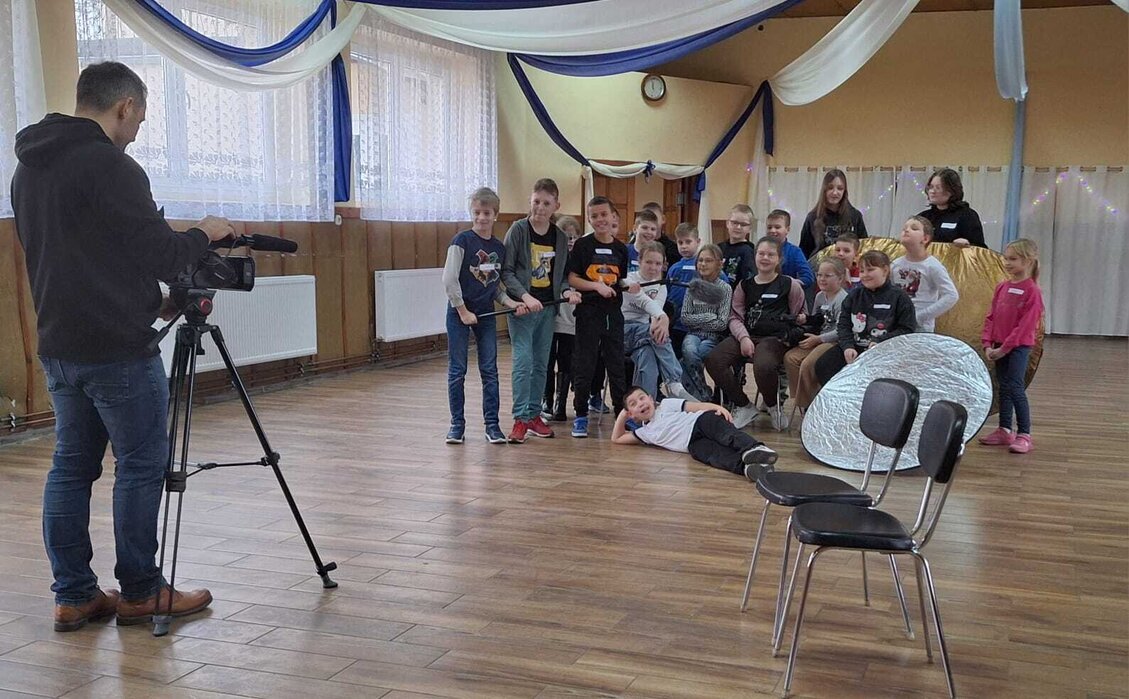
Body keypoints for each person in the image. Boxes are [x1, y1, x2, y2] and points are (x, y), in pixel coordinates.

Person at [11, 62, 228, 631]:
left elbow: (82, 256)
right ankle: (140, 590)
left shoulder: (28, 168)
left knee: (70, 468)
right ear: (125, 106)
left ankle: (74, 595)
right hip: (118, 352)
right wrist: (206, 232)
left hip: (60, 344)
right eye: (140, 119)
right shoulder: (112, 166)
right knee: (140, 465)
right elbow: (163, 254)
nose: (136, 132)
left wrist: (148, 301)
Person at [444, 187, 527, 445]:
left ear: (495, 215)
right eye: (477, 212)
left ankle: (492, 425)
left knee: (489, 370)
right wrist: (462, 310)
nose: (481, 217)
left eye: (487, 213)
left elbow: (495, 286)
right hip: (459, 313)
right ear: (471, 213)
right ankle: (457, 425)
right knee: (457, 370)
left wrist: (511, 302)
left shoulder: (498, 248)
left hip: (486, 315)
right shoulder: (461, 241)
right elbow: (449, 280)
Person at [501, 178, 580, 443]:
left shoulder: (559, 237)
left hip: (547, 309)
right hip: (523, 309)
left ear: (556, 205)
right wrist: (525, 296)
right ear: (530, 201)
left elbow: (562, 276)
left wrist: (566, 292)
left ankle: (534, 415)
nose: (540, 208)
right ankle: (520, 418)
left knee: (541, 364)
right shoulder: (518, 230)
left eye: (546, 203)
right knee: (523, 362)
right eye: (536, 202)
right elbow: (507, 272)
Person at [705, 237, 806, 431]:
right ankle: (744, 405)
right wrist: (743, 338)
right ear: (755, 256)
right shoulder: (744, 285)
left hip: (775, 339)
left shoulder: (790, 285)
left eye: (770, 254)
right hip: (747, 335)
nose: (765, 258)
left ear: (779, 259)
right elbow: (734, 317)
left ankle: (773, 405)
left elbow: (799, 316)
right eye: (761, 253)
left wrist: (790, 333)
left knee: (763, 364)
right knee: (714, 359)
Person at [568, 196, 637, 438]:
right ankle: (580, 415)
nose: (600, 220)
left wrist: (628, 285)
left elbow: (619, 280)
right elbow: (573, 278)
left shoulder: (621, 249)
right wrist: (596, 286)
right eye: (594, 216)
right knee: (585, 364)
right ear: (589, 219)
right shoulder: (582, 246)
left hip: (613, 315)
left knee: (616, 365)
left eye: (604, 214)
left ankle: (622, 414)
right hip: (588, 314)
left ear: (613, 216)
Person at [611, 386, 778, 482]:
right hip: (691, 444)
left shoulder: (666, 404)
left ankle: (754, 449)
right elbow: (617, 438)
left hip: (700, 421)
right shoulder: (644, 433)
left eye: (642, 398)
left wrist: (717, 408)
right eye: (633, 404)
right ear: (631, 414)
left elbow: (695, 407)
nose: (640, 404)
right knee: (716, 456)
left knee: (727, 435)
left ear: (650, 398)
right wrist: (622, 415)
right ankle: (750, 469)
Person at [813, 250, 917, 387]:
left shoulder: (900, 297)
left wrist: (880, 341)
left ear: (885, 270)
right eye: (862, 271)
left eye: (870, 270)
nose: (865, 275)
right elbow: (843, 325)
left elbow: (907, 330)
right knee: (824, 365)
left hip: (884, 352)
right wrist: (847, 346)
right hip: (855, 347)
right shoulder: (854, 296)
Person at [979, 238, 1044, 454]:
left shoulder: (1032, 291)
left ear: (1028, 261)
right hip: (999, 347)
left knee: (1015, 387)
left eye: (1013, 259)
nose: (1007, 263)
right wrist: (988, 344)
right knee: (1003, 387)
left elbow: (1025, 326)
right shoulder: (1002, 287)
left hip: (1017, 348)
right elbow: (991, 317)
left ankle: (1024, 434)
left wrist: (1004, 348)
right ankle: (1004, 429)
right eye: (1006, 258)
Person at [622, 241, 695, 401]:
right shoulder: (627, 279)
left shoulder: (661, 286)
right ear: (639, 261)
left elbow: (655, 313)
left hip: (645, 334)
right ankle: (674, 382)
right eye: (648, 262)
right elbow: (644, 302)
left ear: (663, 265)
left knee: (647, 357)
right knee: (656, 332)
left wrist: (660, 321)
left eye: (658, 263)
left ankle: (645, 405)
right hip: (623, 332)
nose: (653, 267)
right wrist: (663, 318)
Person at [783, 258, 848, 411]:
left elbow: (841, 330)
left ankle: (813, 404)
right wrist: (804, 321)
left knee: (807, 364)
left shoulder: (843, 299)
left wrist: (818, 339)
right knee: (790, 358)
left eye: (827, 276)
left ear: (840, 278)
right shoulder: (819, 296)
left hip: (832, 341)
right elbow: (816, 321)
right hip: (817, 337)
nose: (822, 279)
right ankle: (803, 401)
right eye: (819, 275)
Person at [541, 215, 582, 423]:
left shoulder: (580, 260)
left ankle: (561, 403)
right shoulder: (551, 257)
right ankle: (546, 401)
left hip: (570, 320)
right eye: (566, 237)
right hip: (550, 318)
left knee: (566, 362)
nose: (570, 241)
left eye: (574, 237)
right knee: (547, 361)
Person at [679, 243, 732, 401]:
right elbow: (685, 318)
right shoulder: (692, 287)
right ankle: (704, 394)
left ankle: (698, 396)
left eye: (708, 260)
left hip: (714, 337)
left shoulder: (725, 289)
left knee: (694, 356)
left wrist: (697, 319)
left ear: (719, 264)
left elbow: (721, 323)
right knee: (689, 352)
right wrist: (709, 316)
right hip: (693, 334)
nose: (703, 264)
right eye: (700, 260)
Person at [891, 216, 959, 332]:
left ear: (925, 238)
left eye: (914, 228)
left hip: (920, 328)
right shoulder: (895, 265)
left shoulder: (932, 266)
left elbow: (951, 295)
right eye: (904, 228)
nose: (906, 230)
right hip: (896, 325)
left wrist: (921, 316)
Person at [799, 169, 869, 257]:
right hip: (820, 265)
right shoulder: (812, 217)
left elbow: (863, 247)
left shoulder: (855, 216)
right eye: (830, 188)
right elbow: (804, 252)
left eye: (840, 188)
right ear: (824, 190)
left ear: (844, 191)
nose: (835, 192)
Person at [918, 168, 986, 248]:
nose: (932, 191)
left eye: (938, 188)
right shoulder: (923, 217)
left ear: (951, 191)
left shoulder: (967, 216)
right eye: (931, 187)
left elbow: (980, 249)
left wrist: (967, 244)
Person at [665, 222, 701, 356]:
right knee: (674, 355)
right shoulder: (674, 268)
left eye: (688, 242)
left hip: (695, 324)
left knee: (691, 354)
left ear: (698, 242)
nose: (684, 246)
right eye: (680, 242)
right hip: (675, 323)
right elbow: (666, 292)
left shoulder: (703, 265)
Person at [765, 209, 814, 288]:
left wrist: (790, 284)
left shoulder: (795, 252)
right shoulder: (760, 250)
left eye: (777, 227)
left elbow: (808, 277)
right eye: (769, 227)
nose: (772, 230)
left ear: (787, 230)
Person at [719, 204, 757, 286]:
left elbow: (749, 280)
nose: (738, 227)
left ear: (750, 228)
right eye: (735, 223)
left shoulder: (749, 251)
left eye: (743, 224)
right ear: (727, 223)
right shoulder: (719, 248)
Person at [642, 200, 681, 267]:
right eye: (647, 219)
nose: (651, 222)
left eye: (654, 218)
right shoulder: (634, 246)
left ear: (663, 219)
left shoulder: (673, 249)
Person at [626, 208, 660, 273]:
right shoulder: (625, 251)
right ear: (635, 229)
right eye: (645, 228)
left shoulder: (658, 255)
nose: (649, 232)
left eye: (653, 229)